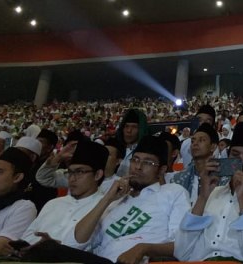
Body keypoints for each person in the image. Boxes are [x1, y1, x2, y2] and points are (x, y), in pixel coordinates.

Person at [174, 122, 243, 263]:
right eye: (235, 154)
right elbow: (181, 252)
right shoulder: (211, 193)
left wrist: (242, 201)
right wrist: (203, 197)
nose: (240, 162)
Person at [73, 135, 190, 264]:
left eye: (148, 162)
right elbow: (79, 240)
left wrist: (143, 248)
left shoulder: (172, 192)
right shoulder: (116, 200)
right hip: (103, 260)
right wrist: (107, 199)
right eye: (135, 160)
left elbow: (182, 244)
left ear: (161, 170)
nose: (138, 167)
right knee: (51, 250)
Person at [20, 140, 109, 250]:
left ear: (97, 175)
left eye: (80, 172)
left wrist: (54, 247)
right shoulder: (53, 203)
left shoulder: (105, 208)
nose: (72, 178)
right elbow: (27, 237)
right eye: (70, 172)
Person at [170, 123, 226, 205]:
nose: (195, 143)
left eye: (201, 140)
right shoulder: (177, 179)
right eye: (193, 141)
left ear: (213, 147)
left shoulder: (223, 178)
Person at [116, 109, 148, 177]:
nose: (129, 130)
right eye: (126, 126)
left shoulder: (146, 152)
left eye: (134, 127)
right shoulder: (116, 149)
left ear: (141, 130)